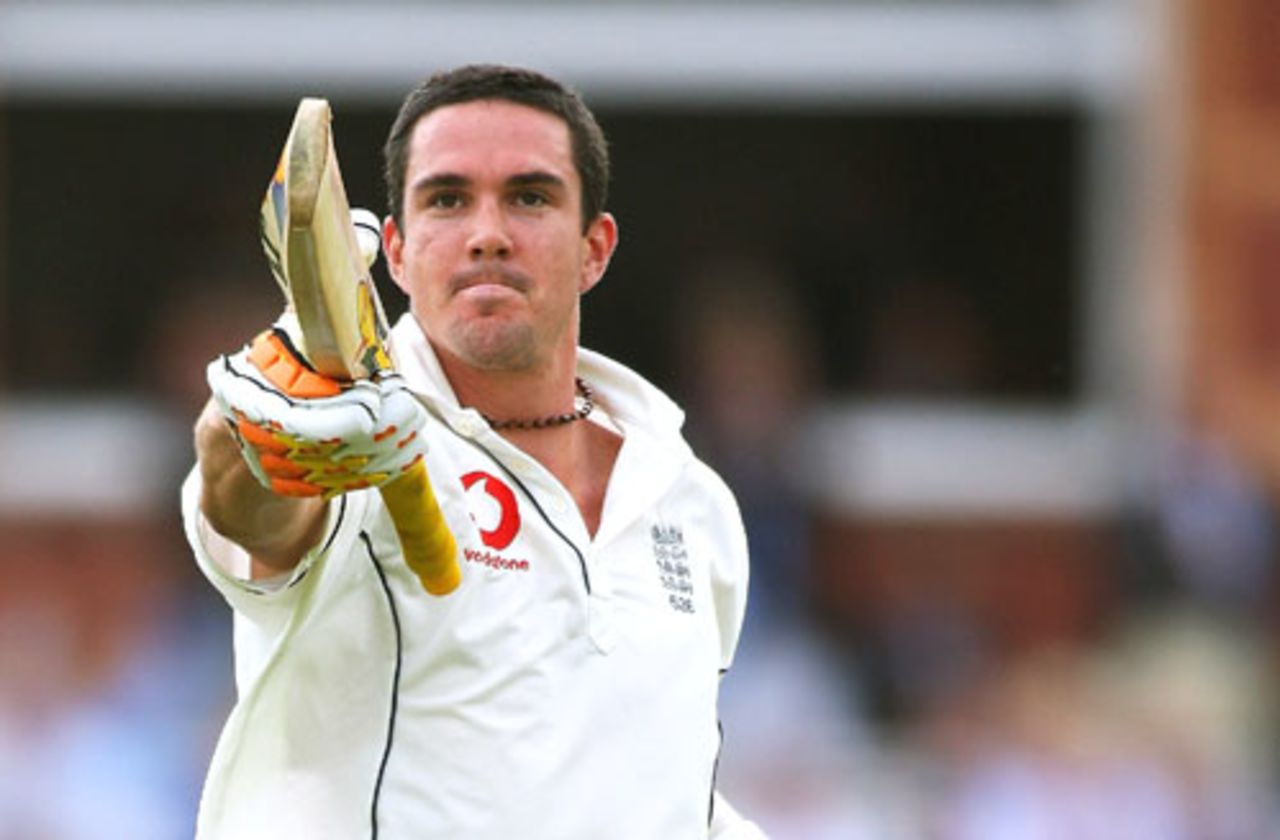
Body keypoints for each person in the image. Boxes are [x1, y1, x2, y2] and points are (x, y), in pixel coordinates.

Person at [183, 64, 767, 839]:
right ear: (394, 250)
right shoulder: (352, 432)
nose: (487, 234)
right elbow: (252, 510)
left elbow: (657, 780)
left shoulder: (693, 502)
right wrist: (257, 434)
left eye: (529, 196)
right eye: (447, 199)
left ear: (595, 248)